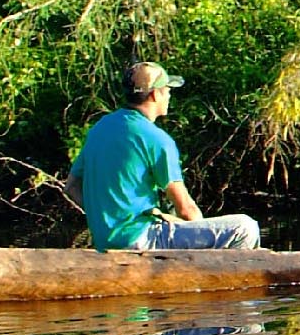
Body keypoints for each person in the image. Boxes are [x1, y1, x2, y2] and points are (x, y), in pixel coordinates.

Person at [67, 62, 262, 251]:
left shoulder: (100, 128)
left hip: (105, 242)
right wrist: (203, 240)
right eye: (167, 89)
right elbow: (186, 209)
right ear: (154, 94)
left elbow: (72, 187)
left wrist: (104, 216)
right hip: (141, 239)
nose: (169, 94)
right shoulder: (156, 139)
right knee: (244, 227)